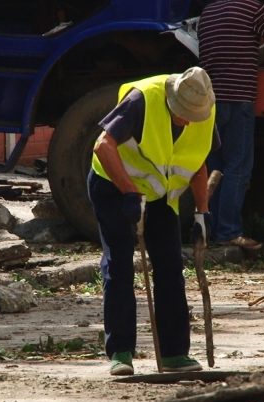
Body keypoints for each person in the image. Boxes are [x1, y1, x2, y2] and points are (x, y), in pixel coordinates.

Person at [87, 66, 218, 376]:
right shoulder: (143, 99)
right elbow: (103, 145)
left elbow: (198, 162)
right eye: (181, 113)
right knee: (119, 263)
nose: (186, 120)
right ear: (173, 99)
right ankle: (120, 352)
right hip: (113, 184)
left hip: (159, 196)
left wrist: (202, 212)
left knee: (171, 265)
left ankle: (174, 354)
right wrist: (129, 192)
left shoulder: (204, 111)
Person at [198, 0, 264, 250]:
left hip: (210, 100)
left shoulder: (209, 11)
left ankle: (208, 230)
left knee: (215, 167)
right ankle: (229, 231)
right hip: (237, 99)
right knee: (238, 167)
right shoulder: (250, 8)